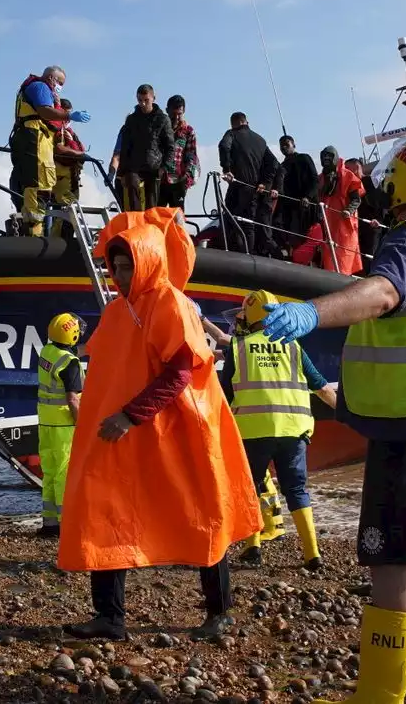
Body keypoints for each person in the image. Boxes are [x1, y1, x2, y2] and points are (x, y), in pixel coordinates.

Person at [260, 138, 406, 704]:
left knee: (390, 559)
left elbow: (386, 292)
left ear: (400, 188)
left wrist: (311, 311)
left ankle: (380, 695)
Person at [57, 209, 261, 641]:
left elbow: (181, 370)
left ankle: (219, 611)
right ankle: (110, 617)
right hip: (121, 436)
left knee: (202, 511)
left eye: (130, 263)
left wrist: (130, 414)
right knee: (105, 507)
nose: (122, 273)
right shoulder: (116, 312)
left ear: (150, 259)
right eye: (116, 265)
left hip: (176, 431)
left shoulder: (170, 301)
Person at [221, 290, 337, 570]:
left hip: (253, 432)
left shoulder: (238, 347)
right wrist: (350, 416)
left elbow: (224, 397)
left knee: (252, 486)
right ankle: (312, 554)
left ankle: (253, 548)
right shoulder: (294, 346)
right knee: (296, 489)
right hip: (293, 431)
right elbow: (322, 387)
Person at [9, 66, 90, 236]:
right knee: (38, 190)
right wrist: (69, 115)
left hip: (37, 144)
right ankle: (33, 237)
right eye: (60, 83)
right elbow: (45, 111)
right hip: (34, 142)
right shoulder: (40, 87)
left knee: (43, 191)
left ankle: (43, 236)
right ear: (52, 78)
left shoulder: (37, 89)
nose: (59, 87)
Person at [36, 312, 86, 537]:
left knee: (49, 472)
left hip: (45, 422)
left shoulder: (48, 352)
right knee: (65, 474)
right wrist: (82, 424)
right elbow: (73, 398)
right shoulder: (70, 364)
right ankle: (68, 524)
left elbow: (73, 351)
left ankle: (50, 524)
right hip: (65, 425)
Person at [218, 112, 280, 254]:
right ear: (246, 122)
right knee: (248, 224)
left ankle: (226, 252)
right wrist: (265, 182)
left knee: (229, 219)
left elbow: (224, 146)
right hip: (254, 188)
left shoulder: (232, 134)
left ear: (235, 123)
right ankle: (249, 255)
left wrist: (226, 169)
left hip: (238, 185)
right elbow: (274, 163)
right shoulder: (260, 140)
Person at [117, 84, 174, 212]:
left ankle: (150, 227)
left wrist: (164, 168)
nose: (143, 104)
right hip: (135, 167)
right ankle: (137, 221)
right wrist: (122, 173)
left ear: (153, 98)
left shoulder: (163, 119)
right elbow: (125, 147)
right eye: (140, 100)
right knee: (132, 185)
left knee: (151, 205)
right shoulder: (131, 120)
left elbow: (170, 146)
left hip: (154, 168)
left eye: (146, 100)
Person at [271, 135, 319, 252]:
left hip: (306, 207)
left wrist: (308, 197)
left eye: (286, 145)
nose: (284, 147)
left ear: (294, 145)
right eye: (281, 146)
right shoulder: (282, 166)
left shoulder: (304, 159)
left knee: (306, 237)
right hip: (290, 208)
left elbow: (314, 179)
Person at [159, 95, 200, 210]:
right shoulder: (159, 129)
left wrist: (187, 177)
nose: (176, 118)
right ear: (167, 111)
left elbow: (191, 155)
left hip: (179, 180)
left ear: (184, 112)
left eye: (179, 114)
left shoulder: (188, 131)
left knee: (178, 217)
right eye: (173, 114)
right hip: (160, 179)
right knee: (157, 216)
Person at [52, 99, 87, 213]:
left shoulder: (69, 132)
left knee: (68, 213)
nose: (68, 118)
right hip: (58, 180)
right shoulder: (54, 129)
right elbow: (58, 148)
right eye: (66, 113)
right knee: (57, 212)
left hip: (71, 179)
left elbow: (81, 149)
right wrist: (79, 153)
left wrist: (72, 142)